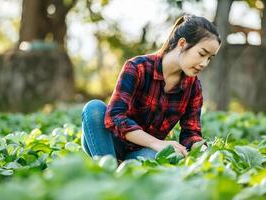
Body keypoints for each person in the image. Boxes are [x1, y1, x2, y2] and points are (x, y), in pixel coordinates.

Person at [81, 14, 221, 162]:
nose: (204, 63)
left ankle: (118, 170)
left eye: (209, 58)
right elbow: (116, 117)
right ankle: (107, 170)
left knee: (156, 158)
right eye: (202, 54)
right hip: (110, 143)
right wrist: (158, 143)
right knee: (94, 108)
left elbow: (191, 133)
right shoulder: (137, 68)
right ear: (182, 44)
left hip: (145, 151)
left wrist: (207, 152)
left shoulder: (193, 87)